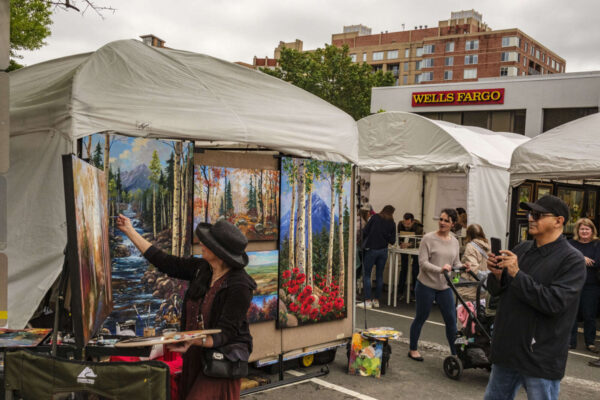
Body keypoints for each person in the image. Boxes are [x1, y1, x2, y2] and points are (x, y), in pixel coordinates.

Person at [116, 215, 256, 400]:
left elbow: (225, 333)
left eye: (207, 243)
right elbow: (165, 262)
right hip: (195, 355)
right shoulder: (202, 269)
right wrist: (130, 231)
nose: (201, 244)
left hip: (221, 361)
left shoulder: (240, 286)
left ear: (220, 252)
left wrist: (190, 340)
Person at [483, 195, 586, 400]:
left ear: (558, 221)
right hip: (508, 348)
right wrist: (497, 275)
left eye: (538, 215)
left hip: (540, 355)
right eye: (530, 213)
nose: (530, 218)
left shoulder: (572, 260)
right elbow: (497, 291)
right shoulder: (522, 249)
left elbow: (554, 303)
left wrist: (516, 274)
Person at [408, 208, 467, 361]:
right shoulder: (428, 239)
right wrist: (440, 270)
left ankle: (455, 354)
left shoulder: (455, 241)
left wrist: (462, 267)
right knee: (421, 317)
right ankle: (413, 349)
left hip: (444, 287)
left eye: (446, 220)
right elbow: (423, 263)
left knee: (451, 320)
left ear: (453, 224)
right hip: (426, 285)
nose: (442, 222)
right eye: (441, 219)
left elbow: (455, 262)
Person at [568, 218, 600, 353]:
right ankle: (570, 342)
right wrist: (582, 258)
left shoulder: (597, 244)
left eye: (587, 229)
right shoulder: (570, 243)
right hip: (572, 284)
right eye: (582, 229)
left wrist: (576, 259)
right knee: (571, 314)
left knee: (589, 315)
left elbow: (596, 263)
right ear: (578, 230)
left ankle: (590, 342)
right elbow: (566, 260)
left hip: (591, 285)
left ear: (592, 231)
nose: (584, 231)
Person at [361, 205, 396, 308]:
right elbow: (392, 241)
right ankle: (376, 301)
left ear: (383, 209)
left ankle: (367, 301)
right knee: (379, 275)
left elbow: (365, 231)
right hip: (383, 251)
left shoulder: (375, 217)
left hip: (372, 249)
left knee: (367, 274)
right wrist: (385, 236)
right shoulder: (392, 223)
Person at [457, 224, 490, 301]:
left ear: (468, 235)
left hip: (470, 289)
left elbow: (473, 268)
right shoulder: (487, 246)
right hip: (483, 287)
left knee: (466, 308)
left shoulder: (470, 246)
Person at [397, 213, 424, 300]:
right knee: (403, 269)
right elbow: (399, 237)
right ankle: (400, 291)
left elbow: (419, 240)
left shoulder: (419, 226)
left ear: (412, 222)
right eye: (405, 223)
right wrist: (401, 243)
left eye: (408, 224)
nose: (406, 226)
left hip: (415, 250)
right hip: (404, 248)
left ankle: (415, 293)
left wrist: (409, 245)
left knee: (415, 270)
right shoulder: (400, 224)